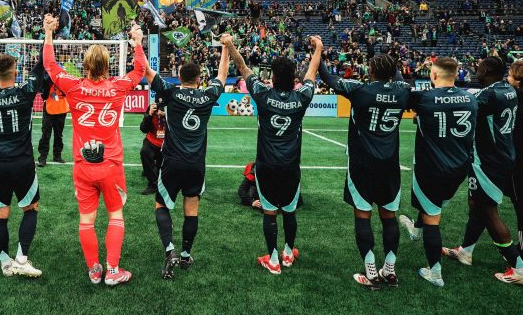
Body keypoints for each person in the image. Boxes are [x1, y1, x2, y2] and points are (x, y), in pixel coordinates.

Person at [42, 15, 145, 286]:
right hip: (110, 165)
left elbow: (50, 66)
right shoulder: (118, 87)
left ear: (85, 65)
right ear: (108, 65)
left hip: (83, 166)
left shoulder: (74, 87)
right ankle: (113, 270)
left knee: (86, 221)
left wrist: (49, 33)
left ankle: (94, 269)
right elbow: (139, 72)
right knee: (115, 215)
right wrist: (138, 43)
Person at [222, 33, 322, 276]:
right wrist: (318, 48)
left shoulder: (263, 94)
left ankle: (274, 259)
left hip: (266, 167)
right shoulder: (302, 96)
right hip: (290, 167)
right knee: (289, 210)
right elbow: (311, 73)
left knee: (269, 212)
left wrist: (230, 44)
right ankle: (288, 253)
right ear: (293, 79)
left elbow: (242, 66)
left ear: (273, 77)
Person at [320, 53, 410, 289]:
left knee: (363, 214)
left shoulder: (360, 90)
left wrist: (317, 51)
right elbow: (398, 78)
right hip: (389, 163)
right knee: (388, 216)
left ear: (370, 70)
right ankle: (390, 269)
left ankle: (371, 270)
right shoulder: (403, 90)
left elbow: (328, 78)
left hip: (362, 163)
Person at [145, 47, 228, 280]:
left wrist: (137, 45)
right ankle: (184, 254)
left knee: (162, 205)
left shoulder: (171, 92)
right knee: (191, 209)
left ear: (179, 77)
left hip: (172, 160)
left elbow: (147, 72)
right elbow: (222, 76)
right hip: (196, 164)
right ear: (199, 79)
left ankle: (169, 250)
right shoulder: (208, 95)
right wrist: (224, 50)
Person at [442, 56, 523, 285]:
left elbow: (462, 107)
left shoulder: (489, 94)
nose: (475, 71)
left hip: (487, 161)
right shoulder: (508, 89)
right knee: (476, 204)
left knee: (488, 211)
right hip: (503, 156)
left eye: (478, 68)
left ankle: (518, 266)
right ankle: (465, 251)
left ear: (486, 70)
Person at [399, 57, 478, 287]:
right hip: (459, 168)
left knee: (433, 217)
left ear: (433, 75)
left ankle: (435, 272)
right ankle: (416, 228)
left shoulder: (425, 98)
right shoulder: (471, 99)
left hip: (432, 167)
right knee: (432, 207)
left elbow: (401, 88)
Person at [0, 34, 44, 277]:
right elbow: (42, 64)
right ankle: (22, 257)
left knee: (0, 213)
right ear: (15, 71)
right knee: (30, 208)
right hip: (22, 163)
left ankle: (5, 261)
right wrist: (48, 33)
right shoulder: (25, 92)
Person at [506, 60, 523, 254]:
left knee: (520, 205)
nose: (507, 78)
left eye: (510, 75)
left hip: (518, 159)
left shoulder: (515, 97)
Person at [37, 78, 68, 167]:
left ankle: (57, 156)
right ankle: (42, 157)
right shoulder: (47, 80)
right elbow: (44, 95)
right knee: (46, 135)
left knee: (58, 135)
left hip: (61, 110)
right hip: (49, 109)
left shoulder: (64, 80)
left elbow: (67, 93)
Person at [139, 101, 165, 195]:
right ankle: (153, 184)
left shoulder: (173, 108)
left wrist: (167, 116)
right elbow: (143, 129)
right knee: (145, 152)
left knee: (163, 165)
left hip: (168, 142)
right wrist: (149, 115)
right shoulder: (152, 108)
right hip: (152, 140)